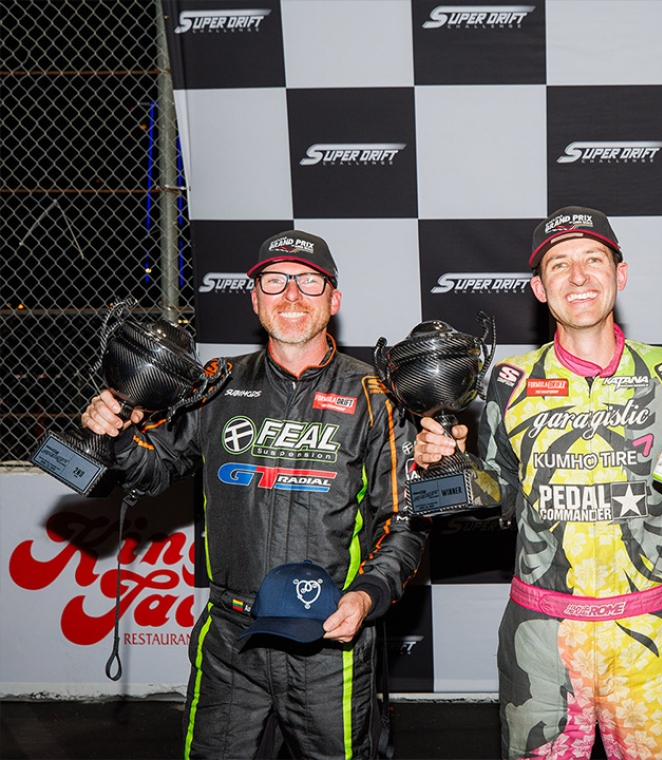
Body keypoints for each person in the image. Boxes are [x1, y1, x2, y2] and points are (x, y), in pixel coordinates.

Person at [81, 230, 425, 760]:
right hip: (231, 637)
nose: (292, 294)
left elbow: (405, 522)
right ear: (255, 298)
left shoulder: (375, 395)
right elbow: (150, 470)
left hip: (330, 638)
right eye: (275, 281)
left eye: (309, 281)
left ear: (334, 299)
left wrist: (365, 596)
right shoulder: (216, 383)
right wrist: (119, 434)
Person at [414, 207, 662, 760]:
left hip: (650, 633)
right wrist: (453, 471)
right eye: (559, 265)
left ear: (620, 274)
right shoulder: (509, 381)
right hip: (540, 636)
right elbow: (502, 499)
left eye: (593, 260)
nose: (578, 277)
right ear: (539, 288)